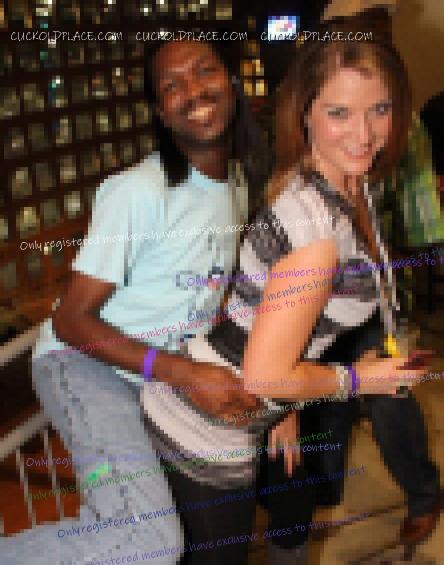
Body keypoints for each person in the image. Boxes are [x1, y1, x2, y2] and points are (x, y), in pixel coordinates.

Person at [146, 21, 432, 565]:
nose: (363, 133)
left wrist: (288, 405)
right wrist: (356, 379)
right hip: (203, 428)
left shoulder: (352, 184)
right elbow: (264, 376)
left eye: (380, 109)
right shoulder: (318, 234)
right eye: (339, 113)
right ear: (305, 113)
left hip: (244, 411)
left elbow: (271, 321)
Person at [0, 39, 268, 565]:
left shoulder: (238, 183)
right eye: (172, 85)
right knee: (147, 540)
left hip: (150, 372)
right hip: (83, 366)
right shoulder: (138, 191)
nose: (193, 91)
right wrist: (182, 373)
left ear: (232, 83)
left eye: (204, 71)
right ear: (161, 113)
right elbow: (72, 320)